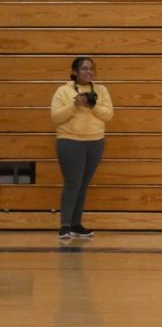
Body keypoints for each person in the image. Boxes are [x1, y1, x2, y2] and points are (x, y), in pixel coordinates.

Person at [50, 57, 114, 240]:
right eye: (84, 69)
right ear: (75, 71)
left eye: (91, 69)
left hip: (95, 141)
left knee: (83, 185)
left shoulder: (101, 90)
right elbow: (56, 117)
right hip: (70, 141)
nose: (89, 72)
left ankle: (76, 224)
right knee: (72, 183)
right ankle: (65, 225)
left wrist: (93, 107)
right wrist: (74, 105)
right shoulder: (63, 91)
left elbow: (108, 114)